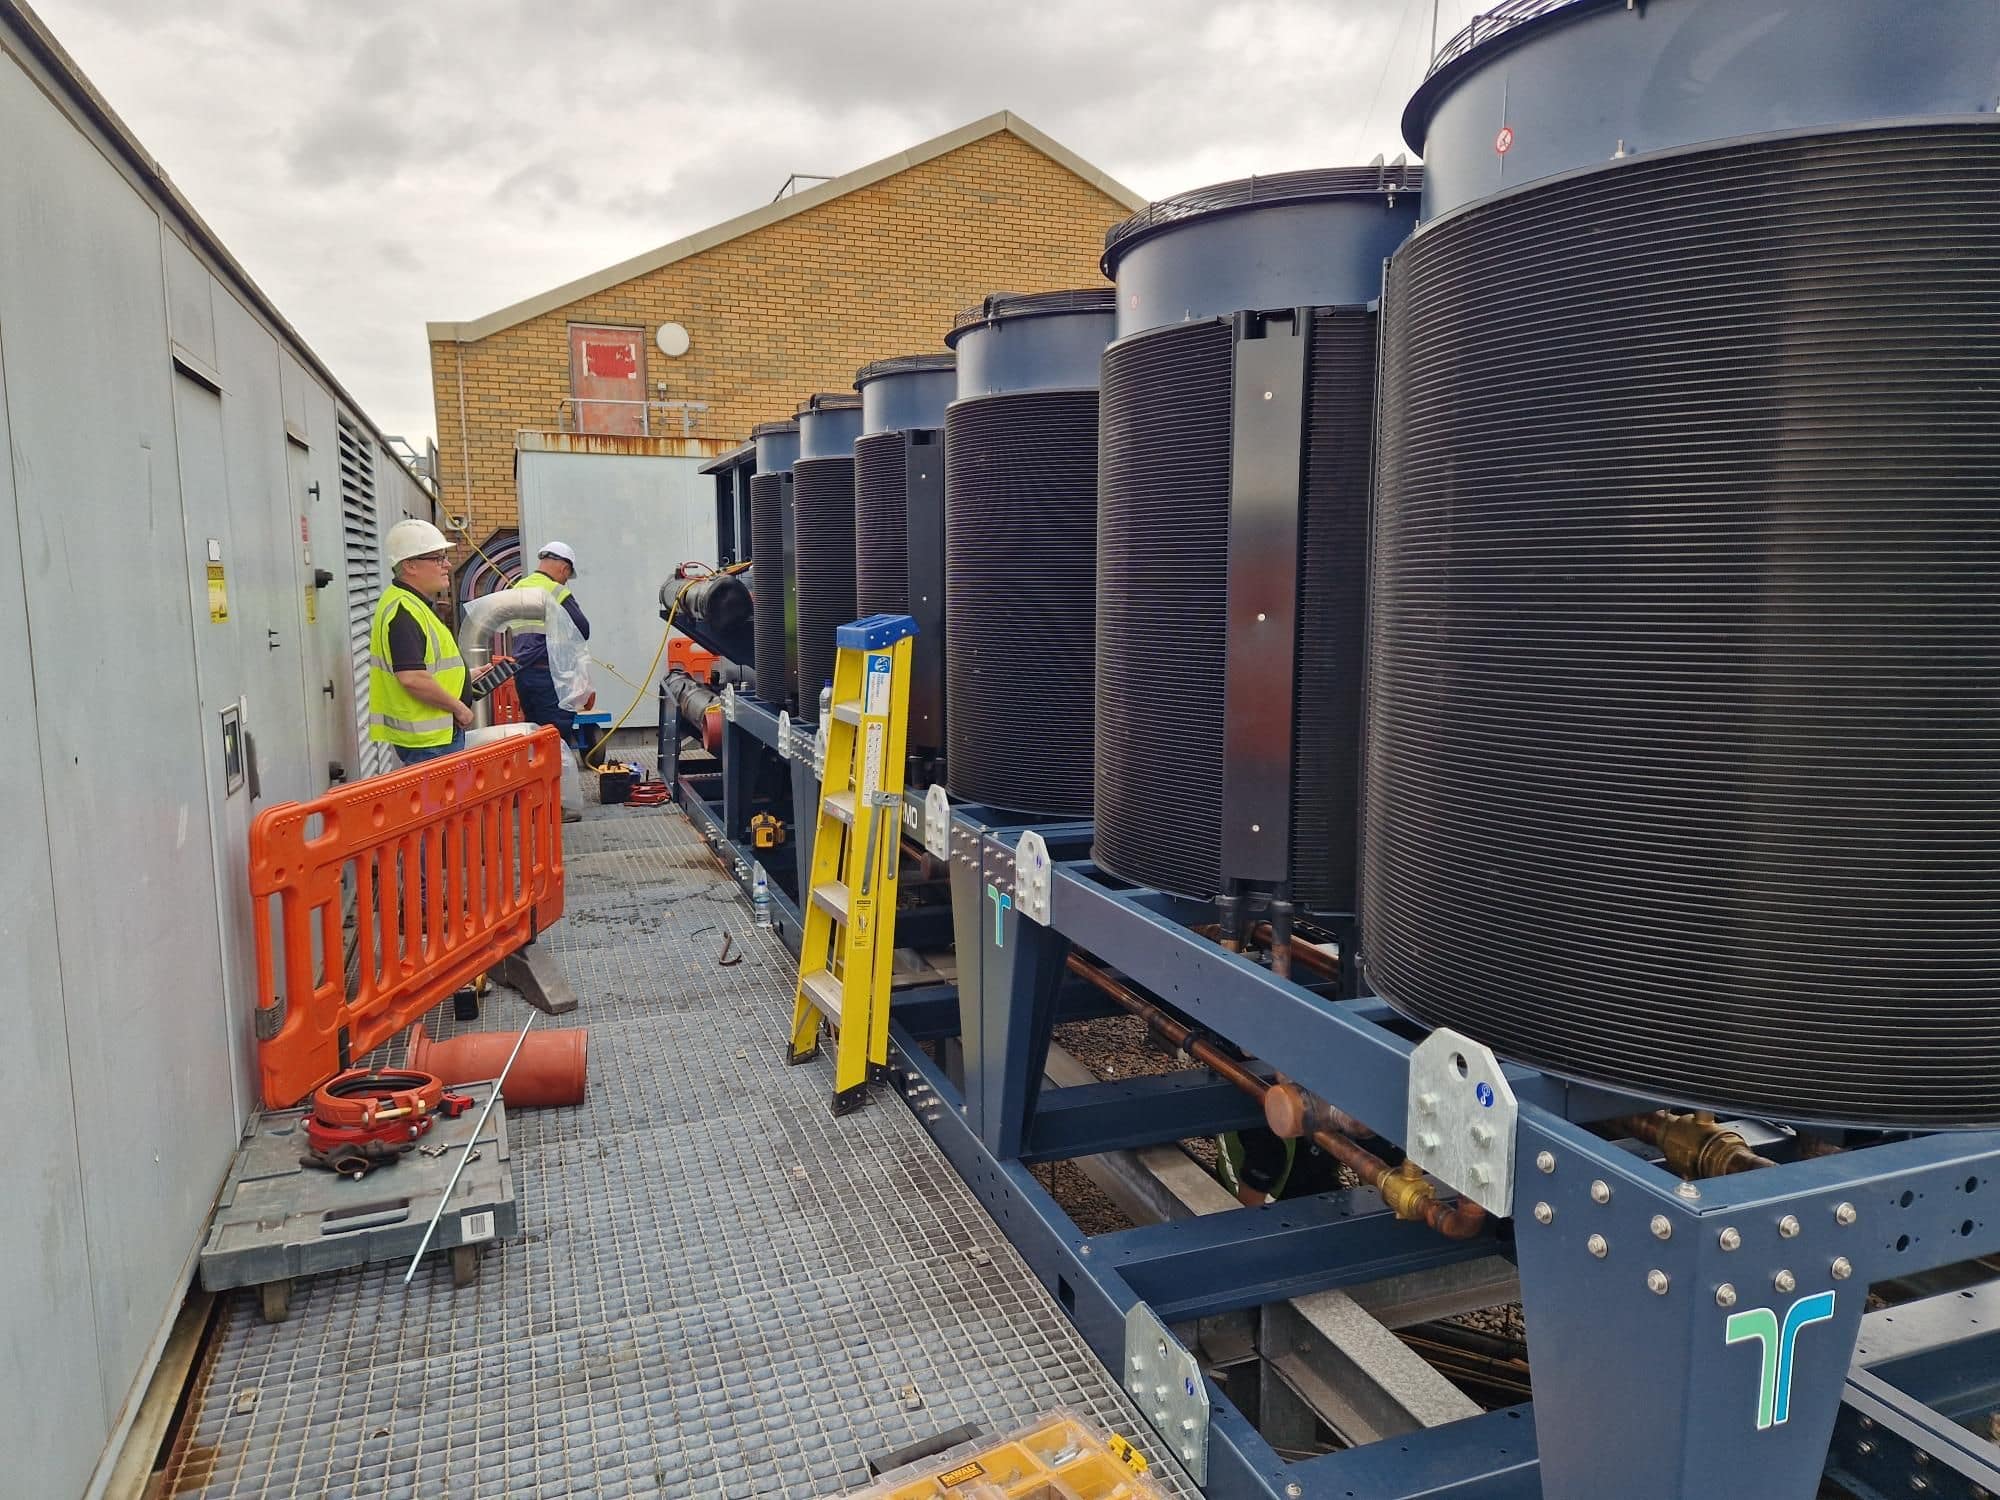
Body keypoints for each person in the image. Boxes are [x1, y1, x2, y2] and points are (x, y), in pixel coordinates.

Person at [368, 519, 476, 766]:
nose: (447, 565)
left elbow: (427, 666)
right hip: (429, 744)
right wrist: (459, 708)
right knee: (441, 805)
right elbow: (412, 678)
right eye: (438, 558)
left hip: (432, 740)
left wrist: (466, 676)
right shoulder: (403, 610)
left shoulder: (411, 604)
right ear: (410, 565)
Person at [510, 541, 591, 746]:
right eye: (567, 576)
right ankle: (557, 777)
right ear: (564, 568)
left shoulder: (517, 588)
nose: (565, 581)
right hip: (550, 675)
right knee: (555, 735)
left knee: (534, 732)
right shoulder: (556, 590)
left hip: (523, 673)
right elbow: (583, 629)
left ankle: (538, 776)